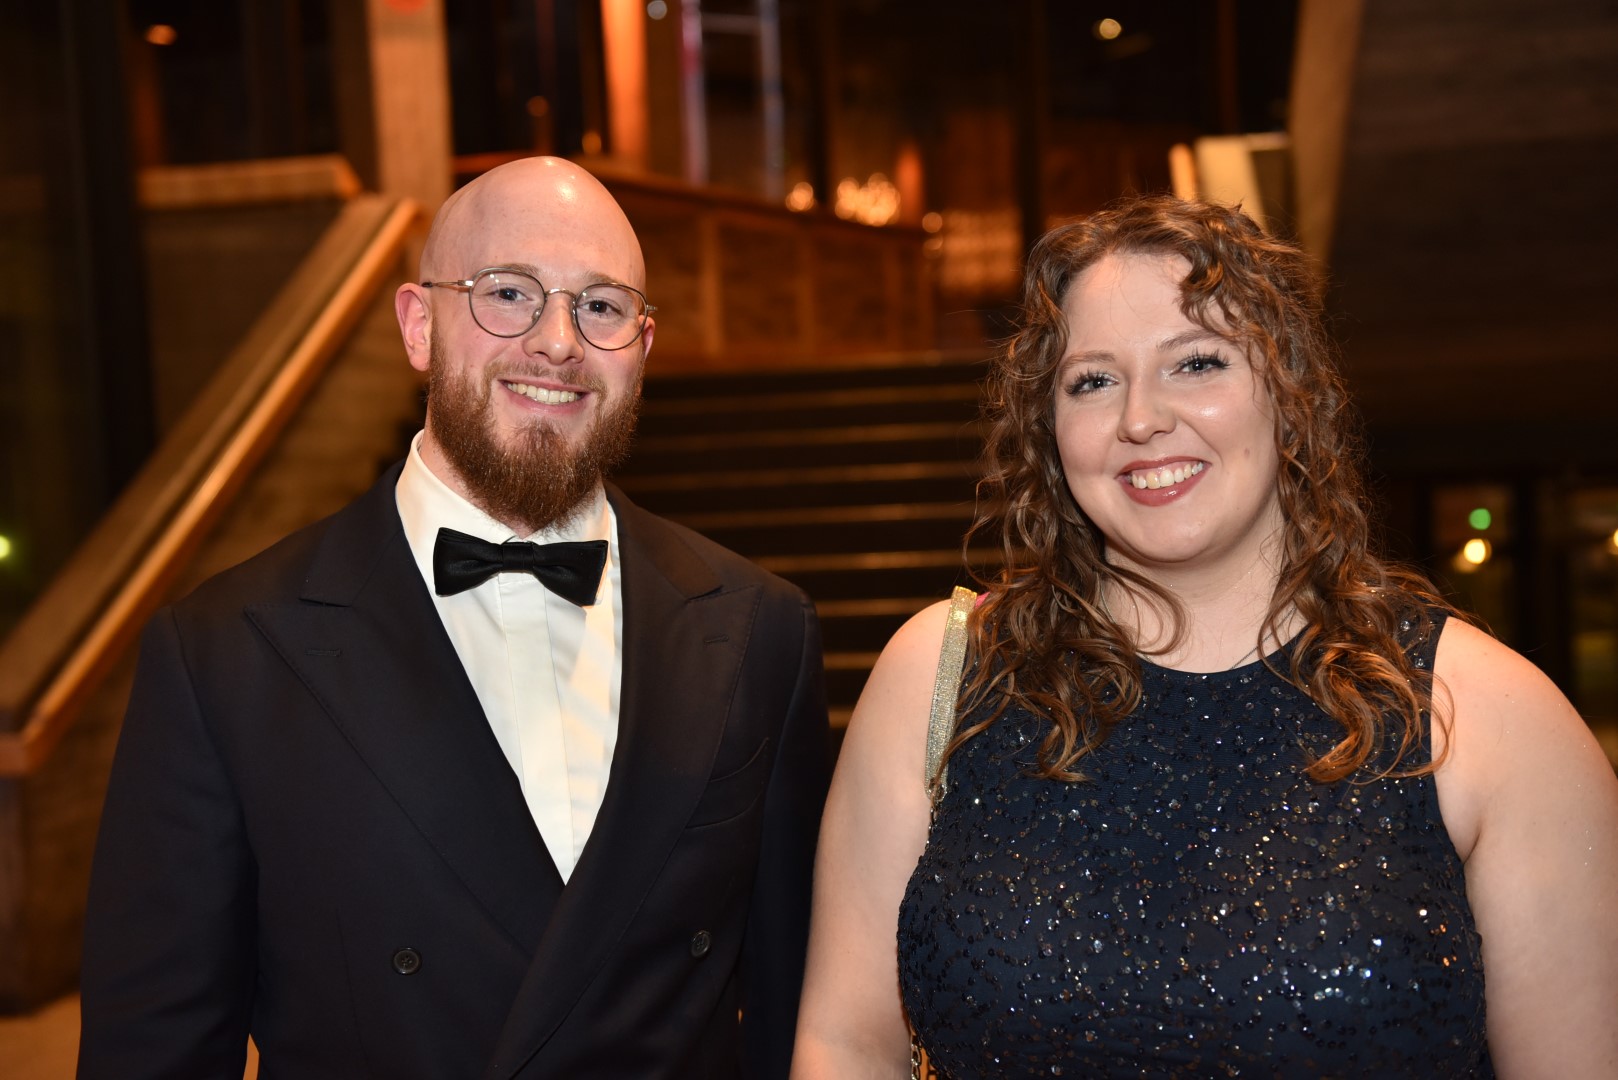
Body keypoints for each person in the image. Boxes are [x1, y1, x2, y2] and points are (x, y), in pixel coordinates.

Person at [792, 195, 1618, 1077]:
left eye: (1196, 362)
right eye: (1093, 380)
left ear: (1290, 392)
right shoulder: (942, 674)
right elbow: (848, 1044)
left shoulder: (1488, 717)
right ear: (1048, 427)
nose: (1141, 418)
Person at [79, 156, 829, 1080]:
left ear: (642, 347)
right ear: (418, 325)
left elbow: (798, 1020)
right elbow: (152, 1052)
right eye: (508, 293)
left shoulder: (762, 632)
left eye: (601, 306)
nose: (558, 342)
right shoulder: (225, 656)